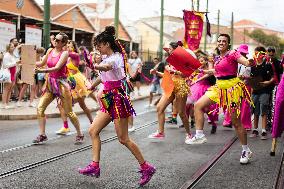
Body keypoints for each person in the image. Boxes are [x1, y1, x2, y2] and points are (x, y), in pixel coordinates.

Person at [78, 26, 156, 186]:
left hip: (117, 99)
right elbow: (104, 76)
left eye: (99, 45)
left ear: (107, 44)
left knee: (123, 139)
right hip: (108, 99)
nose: (97, 48)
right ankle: (95, 166)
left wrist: (93, 65)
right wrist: (92, 85)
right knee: (93, 131)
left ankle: (146, 167)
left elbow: (106, 68)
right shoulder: (107, 58)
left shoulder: (116, 58)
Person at [186, 34, 255, 164]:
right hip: (219, 88)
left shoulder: (233, 54)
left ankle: (246, 150)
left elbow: (244, 61)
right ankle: (199, 135)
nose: (221, 43)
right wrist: (207, 72)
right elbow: (218, 71)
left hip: (232, 89)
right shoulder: (218, 57)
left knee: (236, 122)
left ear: (228, 43)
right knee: (198, 105)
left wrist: (249, 62)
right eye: (219, 41)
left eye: (224, 41)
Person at [33, 33, 84, 144]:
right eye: (55, 39)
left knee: (69, 112)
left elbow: (56, 68)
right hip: (50, 84)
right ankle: (42, 134)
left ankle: (80, 133)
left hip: (61, 84)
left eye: (58, 40)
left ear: (63, 43)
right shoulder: (50, 51)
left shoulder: (64, 53)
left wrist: (41, 71)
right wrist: (27, 63)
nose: (55, 41)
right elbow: (42, 63)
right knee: (40, 108)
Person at [147, 41, 192, 143]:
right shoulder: (169, 61)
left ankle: (189, 134)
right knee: (159, 107)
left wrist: (174, 71)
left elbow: (185, 75)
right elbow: (167, 75)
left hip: (180, 87)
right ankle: (161, 133)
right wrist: (156, 72)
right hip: (170, 86)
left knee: (181, 113)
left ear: (175, 50)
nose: (168, 51)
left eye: (170, 49)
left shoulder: (182, 59)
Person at [56, 40, 93, 135]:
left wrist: (59, 47)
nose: (67, 46)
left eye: (69, 44)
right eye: (66, 44)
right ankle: (66, 126)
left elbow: (67, 54)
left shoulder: (74, 55)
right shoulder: (65, 57)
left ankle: (92, 123)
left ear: (73, 46)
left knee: (82, 105)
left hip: (76, 83)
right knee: (61, 104)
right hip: (67, 82)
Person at [249, 46, 275, 140]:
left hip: (265, 90)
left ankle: (263, 131)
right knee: (255, 111)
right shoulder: (252, 65)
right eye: (255, 53)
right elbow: (250, 79)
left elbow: (273, 77)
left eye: (258, 53)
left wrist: (268, 82)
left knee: (263, 109)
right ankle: (255, 129)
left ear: (263, 54)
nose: (256, 55)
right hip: (255, 91)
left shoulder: (268, 65)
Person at [1, 43, 18, 109]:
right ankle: (4, 104)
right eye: (11, 47)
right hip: (8, 74)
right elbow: (6, 65)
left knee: (10, 89)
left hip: (12, 73)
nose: (13, 48)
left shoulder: (12, 55)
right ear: (8, 48)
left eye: (13, 47)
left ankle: (7, 103)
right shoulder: (6, 55)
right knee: (6, 89)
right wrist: (15, 63)